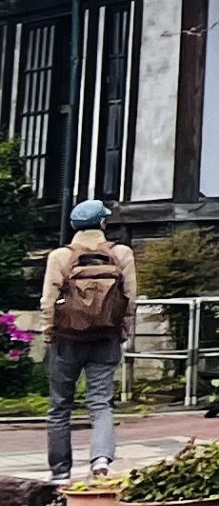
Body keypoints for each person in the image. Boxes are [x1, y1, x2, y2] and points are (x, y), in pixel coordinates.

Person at [36, 205, 136, 481]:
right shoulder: (121, 254)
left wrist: (48, 333)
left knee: (59, 406)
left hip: (67, 339)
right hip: (106, 338)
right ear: (102, 223)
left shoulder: (61, 257)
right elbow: (130, 300)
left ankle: (60, 472)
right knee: (101, 403)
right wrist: (123, 332)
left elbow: (48, 302)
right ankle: (101, 459)